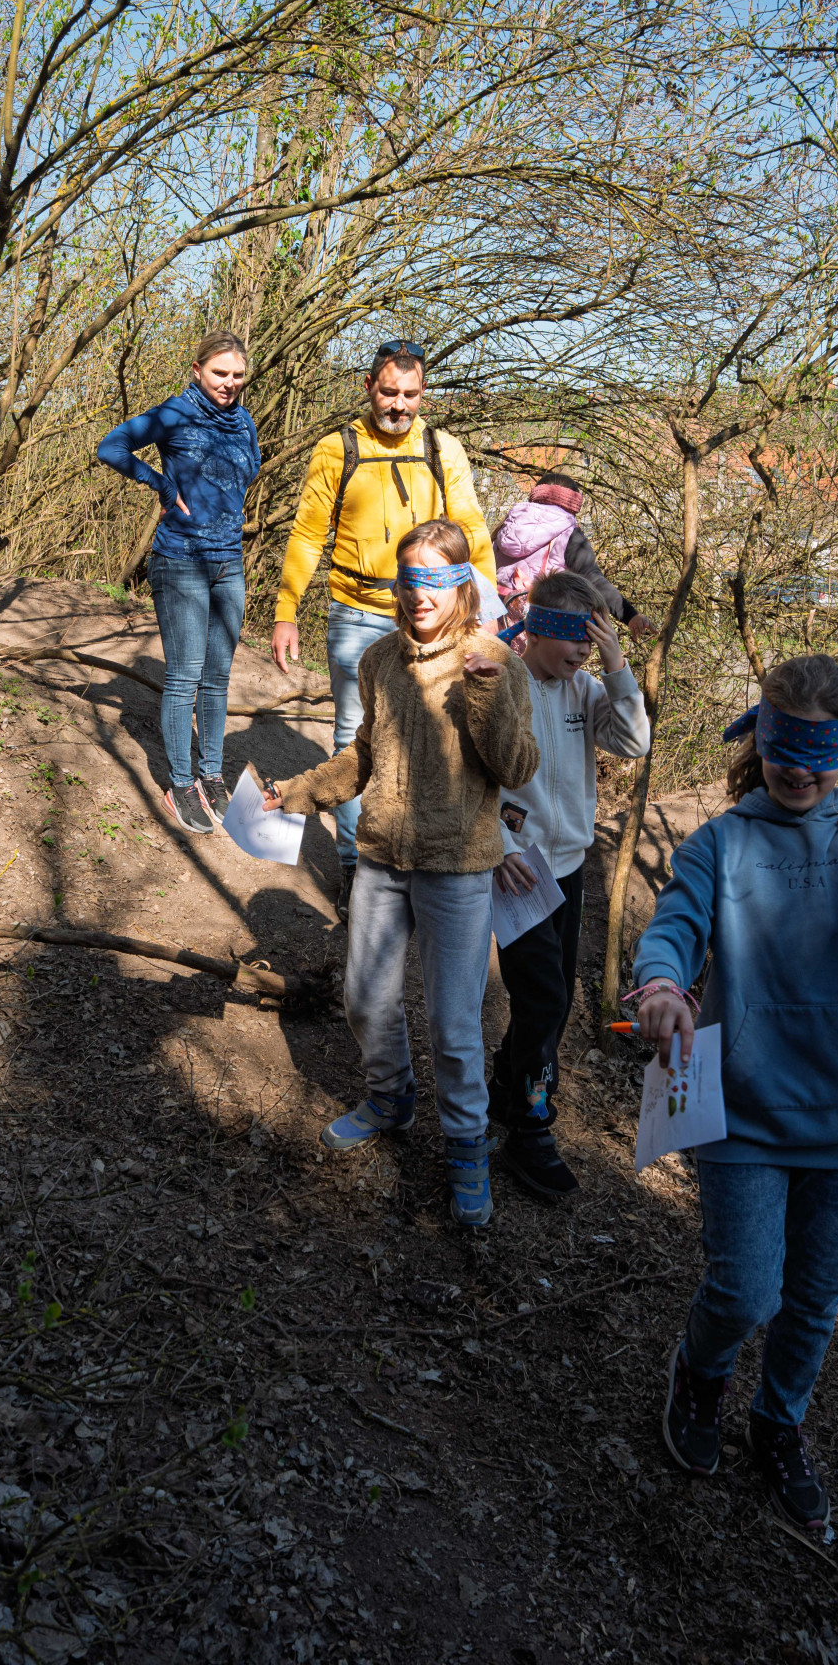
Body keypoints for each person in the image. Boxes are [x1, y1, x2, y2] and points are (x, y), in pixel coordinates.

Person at [630, 654, 838, 1537]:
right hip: (742, 1108)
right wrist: (662, 985)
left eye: (820, 757)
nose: (799, 772)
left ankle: (779, 1422)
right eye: (786, 750)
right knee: (746, 1291)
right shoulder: (721, 843)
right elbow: (676, 923)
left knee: (815, 1300)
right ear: (761, 738)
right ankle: (700, 1374)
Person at [264, 520, 536, 1228]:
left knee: (454, 1025)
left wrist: (485, 695)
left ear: (463, 586)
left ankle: (467, 1146)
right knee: (364, 999)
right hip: (382, 858)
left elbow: (517, 768)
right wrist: (300, 792)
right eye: (409, 578)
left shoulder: (496, 661)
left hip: (457, 868)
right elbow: (364, 753)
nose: (420, 594)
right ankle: (391, 1098)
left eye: (435, 580)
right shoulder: (380, 660)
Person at [271, 338, 496, 917]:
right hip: (356, 612)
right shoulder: (337, 449)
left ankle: (422, 857)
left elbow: (471, 529)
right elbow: (307, 534)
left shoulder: (443, 449)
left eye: (411, 395)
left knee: (435, 736)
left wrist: (488, 611)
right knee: (355, 738)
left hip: (434, 616)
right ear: (368, 387)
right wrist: (286, 609)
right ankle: (355, 866)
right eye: (389, 392)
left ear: (424, 395)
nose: (399, 405)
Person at [490, 571, 650, 1198]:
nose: (585, 650)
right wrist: (501, 846)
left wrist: (617, 669)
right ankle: (532, 1127)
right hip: (518, 869)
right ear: (537, 629)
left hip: (569, 867)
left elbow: (633, 741)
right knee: (546, 1000)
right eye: (577, 638)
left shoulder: (586, 688)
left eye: (595, 640)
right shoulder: (501, 683)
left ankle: (508, 1083)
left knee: (549, 997)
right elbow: (471, 774)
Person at [96, 333, 260, 835]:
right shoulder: (175, 413)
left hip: (229, 563)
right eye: (219, 373)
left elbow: (242, 477)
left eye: (237, 375)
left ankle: (211, 775)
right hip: (181, 561)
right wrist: (161, 485)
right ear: (197, 370)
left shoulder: (244, 421)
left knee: (217, 679)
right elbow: (111, 446)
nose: (229, 383)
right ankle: (181, 783)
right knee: (186, 676)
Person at [492, 473, 656, 645]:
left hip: (494, 620)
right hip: (537, 628)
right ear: (573, 504)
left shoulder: (508, 523)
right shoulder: (569, 533)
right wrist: (630, 615)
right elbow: (594, 579)